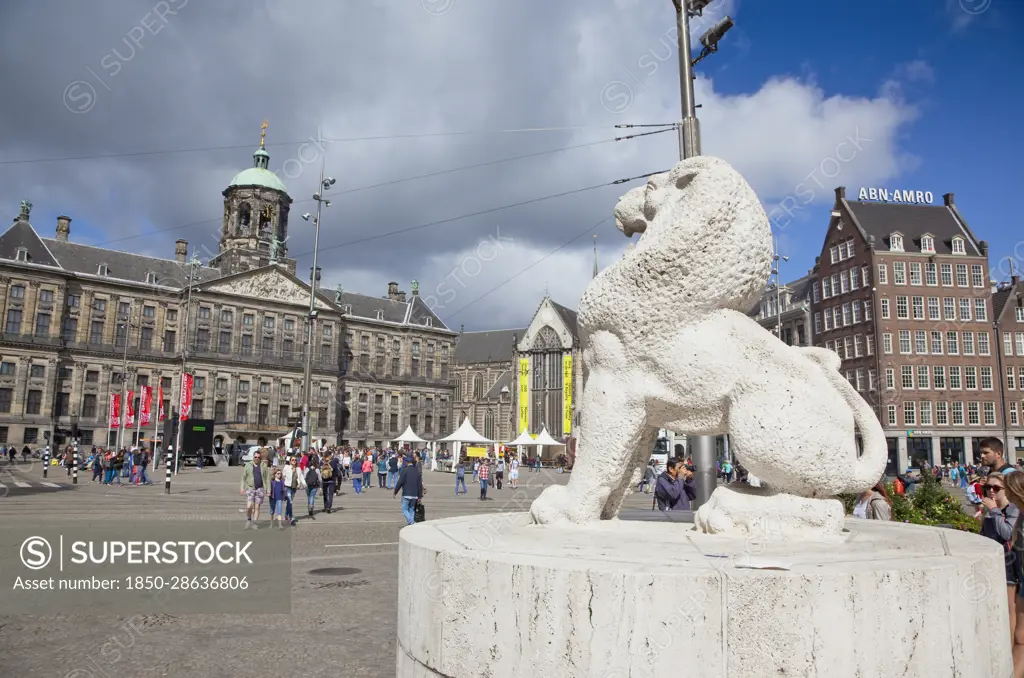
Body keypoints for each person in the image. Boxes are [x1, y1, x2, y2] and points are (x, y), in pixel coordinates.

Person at [981, 472, 1022, 650]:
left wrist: (994, 511)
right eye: (987, 488)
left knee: (1010, 610)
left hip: (1009, 565)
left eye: (996, 488)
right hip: (992, 565)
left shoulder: (1012, 509)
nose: (991, 491)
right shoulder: (989, 510)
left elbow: (1007, 533)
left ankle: (1013, 652)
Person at [998, 472, 1024, 676]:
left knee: (1021, 637)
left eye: (1005, 487)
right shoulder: (1021, 513)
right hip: (1022, 578)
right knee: (1020, 637)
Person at [240, 449, 271, 530]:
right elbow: (243, 477)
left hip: (260, 489)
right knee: (249, 506)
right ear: (253, 457)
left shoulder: (264, 466)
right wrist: (242, 488)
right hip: (250, 488)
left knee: (257, 508)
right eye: (255, 457)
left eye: (258, 457)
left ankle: (254, 523)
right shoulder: (248, 465)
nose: (257, 458)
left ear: (260, 458)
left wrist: (268, 490)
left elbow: (267, 478)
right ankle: (249, 519)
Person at [393, 452, 425, 526]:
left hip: (406, 493)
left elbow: (400, 482)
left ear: (407, 462)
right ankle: (411, 523)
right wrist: (420, 496)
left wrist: (395, 491)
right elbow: (419, 485)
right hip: (415, 494)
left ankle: (411, 522)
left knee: (404, 509)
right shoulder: (417, 472)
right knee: (411, 509)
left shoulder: (404, 470)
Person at [281, 455, 305, 526]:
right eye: (292, 460)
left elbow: (301, 477)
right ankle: (291, 518)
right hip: (287, 487)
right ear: (290, 461)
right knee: (290, 502)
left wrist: (304, 484)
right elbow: (282, 476)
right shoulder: (286, 467)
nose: (294, 461)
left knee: (289, 502)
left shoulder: (298, 469)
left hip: (294, 488)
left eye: (295, 460)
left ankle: (286, 515)